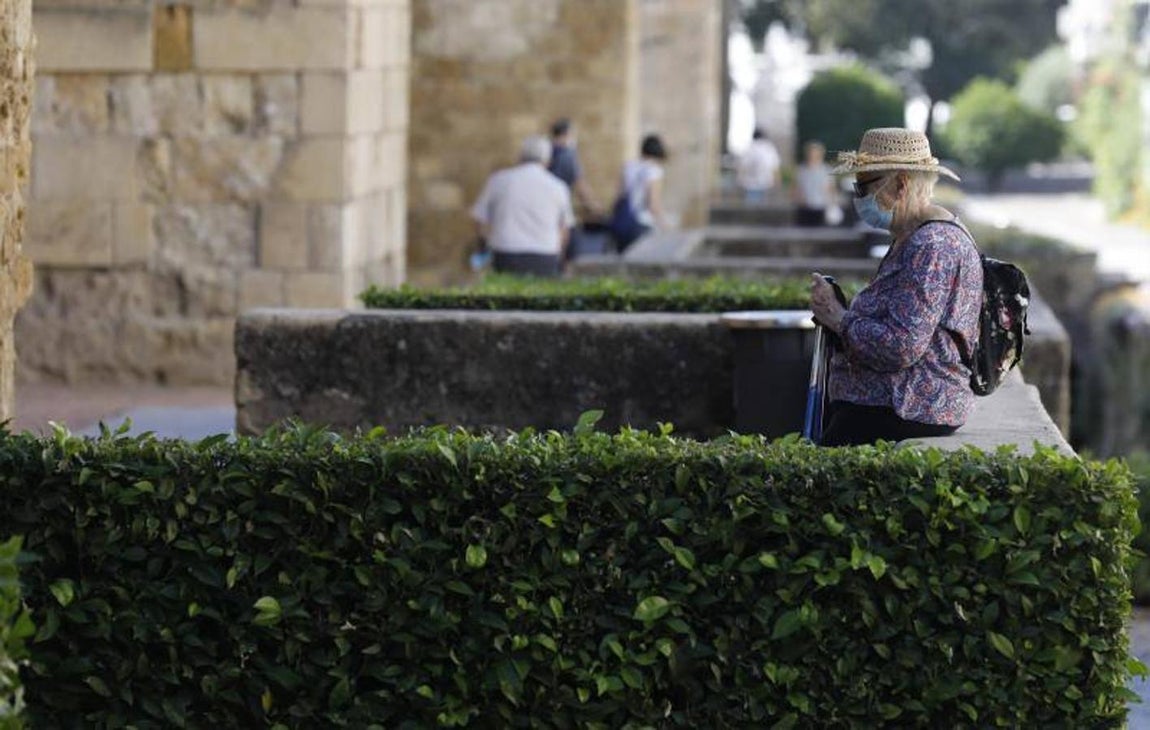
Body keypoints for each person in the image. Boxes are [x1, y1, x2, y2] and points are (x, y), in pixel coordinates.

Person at [808, 127, 984, 446]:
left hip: (905, 409)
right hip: (897, 406)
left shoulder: (932, 246)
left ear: (901, 184)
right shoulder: (915, 237)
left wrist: (839, 318)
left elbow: (901, 346)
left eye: (864, 187)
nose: (858, 197)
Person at [470, 135, 575, 277]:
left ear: (520, 157)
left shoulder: (498, 180)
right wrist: (560, 258)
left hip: (505, 254)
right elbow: (564, 230)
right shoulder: (558, 187)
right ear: (548, 160)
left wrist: (485, 245)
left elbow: (479, 220)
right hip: (545, 256)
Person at [609, 134, 668, 250]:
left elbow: (619, 195)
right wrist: (663, 224)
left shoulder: (628, 166)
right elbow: (653, 204)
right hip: (642, 223)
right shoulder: (654, 171)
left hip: (623, 222)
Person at [548, 118, 598, 216]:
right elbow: (580, 183)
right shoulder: (568, 155)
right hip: (560, 203)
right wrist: (593, 206)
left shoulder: (545, 152)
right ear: (566, 134)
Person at [792, 140, 836, 227]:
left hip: (821, 207)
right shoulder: (801, 170)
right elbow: (795, 188)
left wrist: (832, 204)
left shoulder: (826, 170)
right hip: (804, 207)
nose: (812, 155)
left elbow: (831, 189)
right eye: (810, 152)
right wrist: (797, 198)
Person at [737, 127, 780, 203]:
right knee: (764, 209)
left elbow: (742, 166)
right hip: (766, 183)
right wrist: (777, 181)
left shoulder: (749, 148)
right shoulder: (769, 148)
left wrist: (740, 180)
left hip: (750, 184)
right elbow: (775, 167)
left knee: (752, 209)